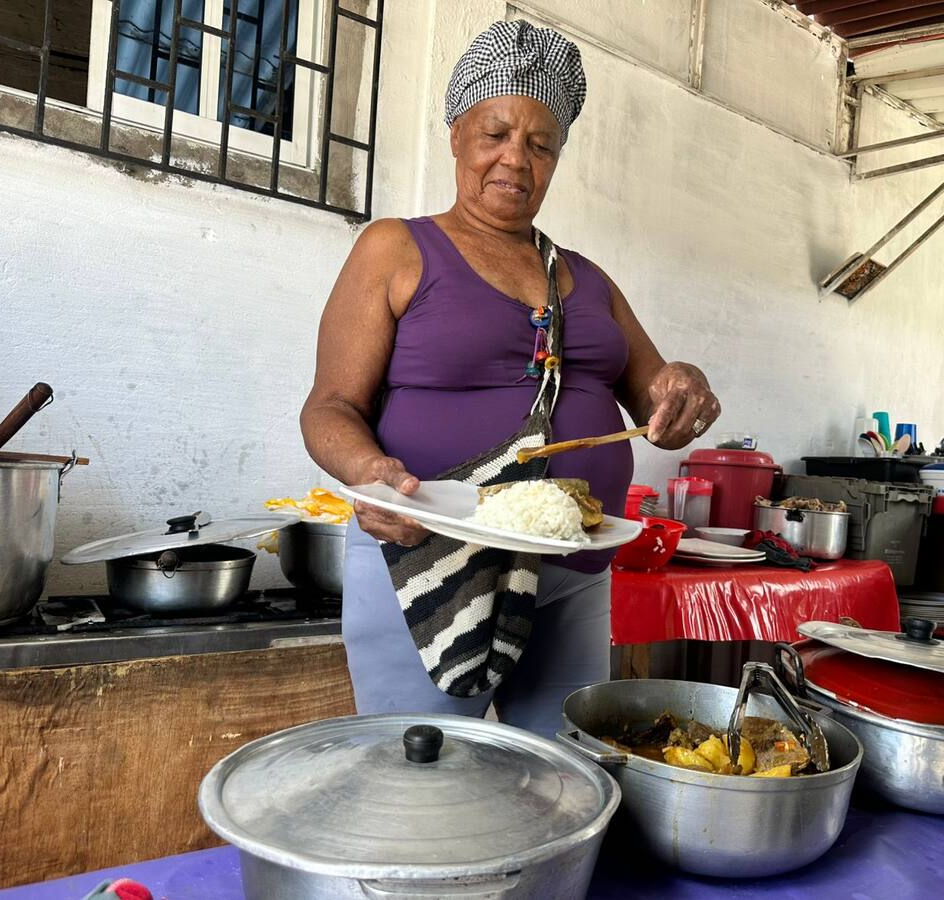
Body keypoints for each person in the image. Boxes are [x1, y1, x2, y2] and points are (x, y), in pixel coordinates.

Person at [301, 19, 719, 738]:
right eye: (495, 133)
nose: (515, 159)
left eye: (540, 144)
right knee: (425, 771)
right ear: (456, 134)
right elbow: (329, 406)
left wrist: (686, 388)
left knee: (563, 771)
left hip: (572, 570)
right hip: (427, 562)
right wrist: (371, 475)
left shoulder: (588, 278)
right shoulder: (396, 248)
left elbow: (660, 394)